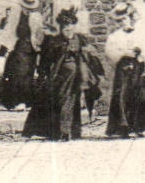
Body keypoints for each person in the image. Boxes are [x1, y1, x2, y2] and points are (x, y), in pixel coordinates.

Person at [21, 8, 103, 141]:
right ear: (61, 28)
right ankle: (59, 131)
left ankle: (67, 131)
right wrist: (43, 74)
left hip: (77, 77)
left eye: (71, 27)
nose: (69, 30)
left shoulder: (80, 39)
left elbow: (91, 57)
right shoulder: (54, 41)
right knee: (57, 100)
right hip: (58, 76)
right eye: (65, 28)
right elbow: (46, 60)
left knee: (70, 100)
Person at [105, 0, 145, 138]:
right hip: (123, 68)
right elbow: (110, 52)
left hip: (137, 67)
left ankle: (139, 126)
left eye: (126, 19)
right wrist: (122, 53)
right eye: (121, 20)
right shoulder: (114, 36)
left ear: (130, 19)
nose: (124, 22)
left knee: (138, 94)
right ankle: (122, 126)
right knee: (122, 94)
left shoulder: (139, 33)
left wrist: (141, 57)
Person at [0, 0, 41, 112]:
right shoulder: (15, 15)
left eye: (30, 9)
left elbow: (39, 33)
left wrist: (39, 46)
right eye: (26, 8)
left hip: (31, 49)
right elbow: (9, 31)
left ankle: (26, 102)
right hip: (19, 48)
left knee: (28, 75)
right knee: (18, 74)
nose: (28, 10)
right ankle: (17, 101)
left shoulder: (36, 17)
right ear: (22, 6)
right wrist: (6, 47)